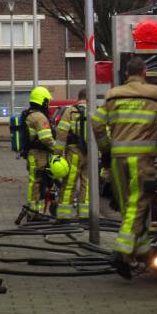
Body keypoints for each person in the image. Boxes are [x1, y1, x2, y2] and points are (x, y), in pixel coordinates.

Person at [91, 57, 157, 279]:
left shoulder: (112, 95)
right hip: (141, 159)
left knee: (130, 208)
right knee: (137, 204)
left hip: (117, 160)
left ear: (127, 74)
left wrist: (106, 149)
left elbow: (96, 123)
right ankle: (122, 252)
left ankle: (143, 252)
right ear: (144, 73)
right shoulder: (155, 93)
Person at [54, 88, 89, 222]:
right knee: (87, 183)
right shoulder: (95, 111)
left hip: (74, 152)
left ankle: (64, 215)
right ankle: (85, 215)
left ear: (78, 98)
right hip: (90, 154)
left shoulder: (70, 111)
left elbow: (61, 133)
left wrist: (57, 154)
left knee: (69, 183)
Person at [24, 86, 56, 215]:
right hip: (39, 155)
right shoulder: (39, 117)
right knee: (38, 183)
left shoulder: (30, 114)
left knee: (37, 182)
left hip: (34, 154)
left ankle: (36, 211)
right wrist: (58, 149)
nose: (48, 104)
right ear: (42, 101)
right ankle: (34, 212)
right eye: (47, 101)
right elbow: (46, 139)